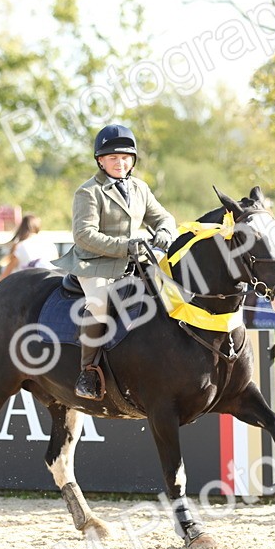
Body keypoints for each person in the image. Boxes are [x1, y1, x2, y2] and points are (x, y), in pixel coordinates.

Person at [55, 123, 177, 400]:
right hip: (95, 263)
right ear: (100, 160)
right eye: (113, 158)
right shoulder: (88, 192)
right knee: (99, 305)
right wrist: (126, 246)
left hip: (136, 260)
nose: (120, 163)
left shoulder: (140, 188)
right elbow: (84, 235)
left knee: (171, 292)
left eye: (125, 158)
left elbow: (163, 217)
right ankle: (87, 372)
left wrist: (165, 232)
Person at [0, 214, 59, 280]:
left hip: (26, 284)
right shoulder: (50, 244)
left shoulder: (20, 246)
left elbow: (7, 273)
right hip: (50, 282)